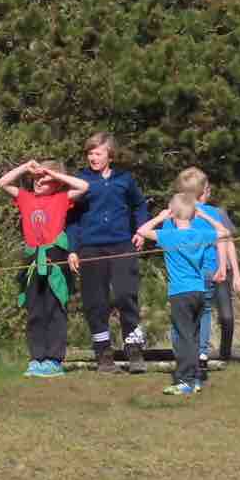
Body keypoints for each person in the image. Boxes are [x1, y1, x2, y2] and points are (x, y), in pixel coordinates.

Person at [131, 174, 234, 396]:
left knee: (184, 336)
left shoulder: (169, 235)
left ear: (173, 213)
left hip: (180, 293)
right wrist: (206, 216)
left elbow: (141, 230)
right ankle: (196, 377)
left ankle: (185, 379)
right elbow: (225, 233)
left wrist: (159, 217)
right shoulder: (200, 233)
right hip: (199, 290)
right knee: (195, 336)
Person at [0, 160, 85, 380]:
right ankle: (37, 358)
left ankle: (54, 360)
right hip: (33, 257)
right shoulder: (25, 198)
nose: (39, 182)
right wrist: (27, 167)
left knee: (55, 307)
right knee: (35, 309)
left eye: (45, 180)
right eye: (36, 179)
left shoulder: (61, 198)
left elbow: (83, 186)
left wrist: (53, 174)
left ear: (56, 184)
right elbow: (3, 182)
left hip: (55, 256)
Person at [70, 133, 149, 374]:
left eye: (98, 153)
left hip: (122, 244)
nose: (93, 157)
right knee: (96, 302)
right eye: (90, 153)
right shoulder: (80, 180)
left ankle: (134, 348)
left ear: (110, 155)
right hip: (90, 246)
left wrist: (142, 230)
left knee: (126, 294)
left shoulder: (124, 179)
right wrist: (73, 249)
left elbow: (140, 205)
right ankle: (103, 352)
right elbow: (71, 217)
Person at [192, 183, 240, 370]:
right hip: (203, 270)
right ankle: (199, 351)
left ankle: (225, 353)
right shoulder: (188, 212)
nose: (208, 193)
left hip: (223, 270)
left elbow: (228, 242)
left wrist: (237, 275)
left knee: (227, 317)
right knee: (201, 311)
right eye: (206, 190)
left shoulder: (217, 213)